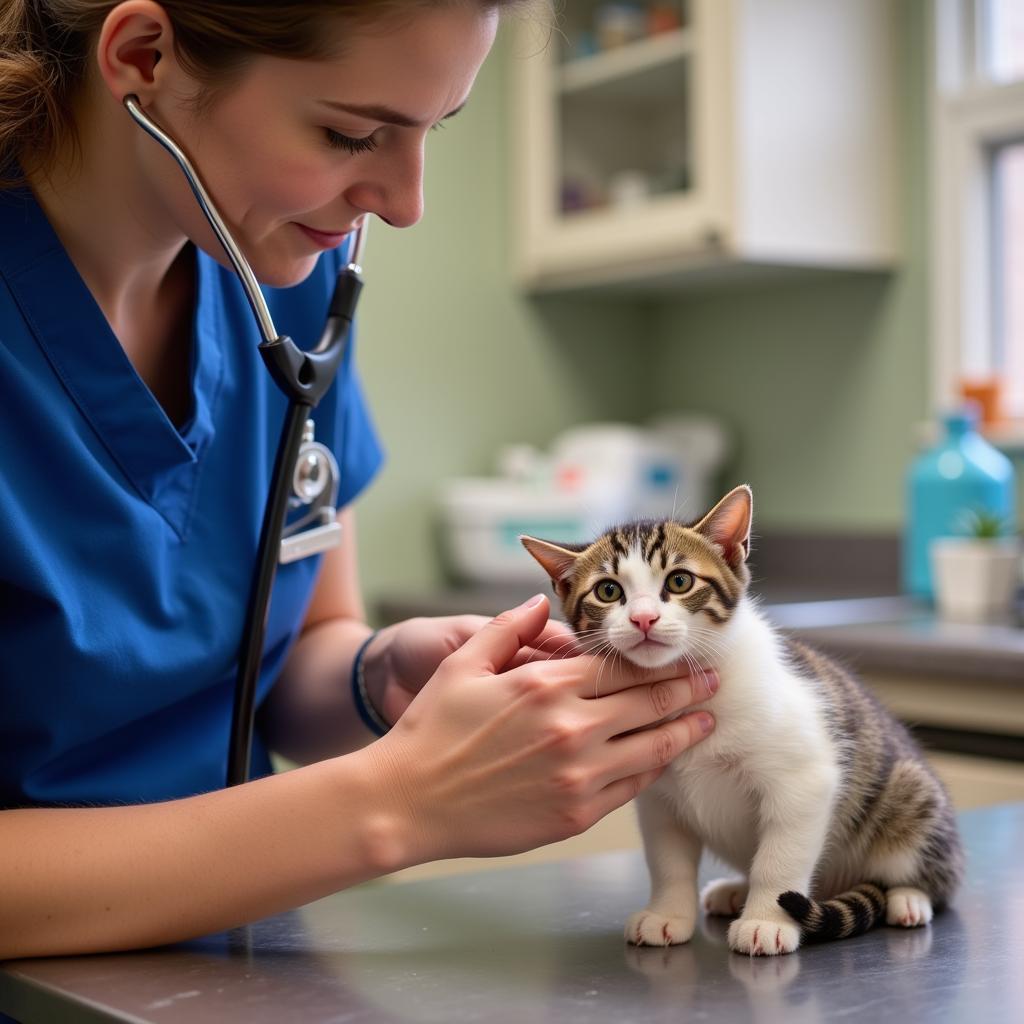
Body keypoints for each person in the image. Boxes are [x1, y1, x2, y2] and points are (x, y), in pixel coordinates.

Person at [0, 0, 717, 961]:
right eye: (351, 133)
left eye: (431, 132)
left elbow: (295, 651)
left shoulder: (287, 278)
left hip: (233, 976)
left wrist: (384, 679)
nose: (403, 201)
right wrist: (396, 804)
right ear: (145, 55)